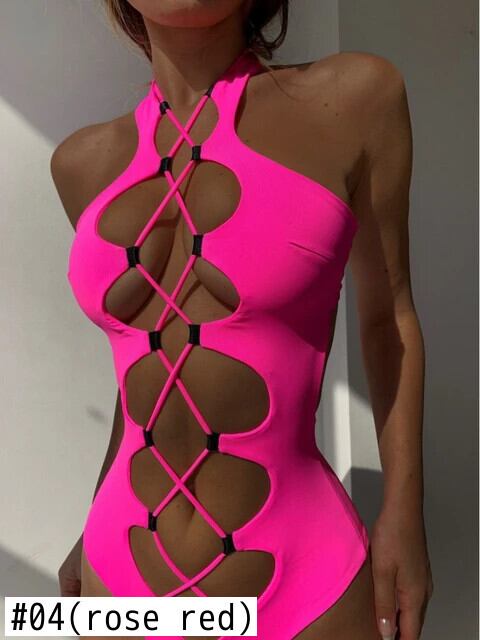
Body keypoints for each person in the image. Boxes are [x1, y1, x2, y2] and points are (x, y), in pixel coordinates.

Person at [50, 1, 433, 639]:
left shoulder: (355, 99)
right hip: (117, 572)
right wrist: (89, 525)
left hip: (304, 577)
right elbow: (142, 366)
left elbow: (387, 317)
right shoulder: (80, 163)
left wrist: (403, 515)